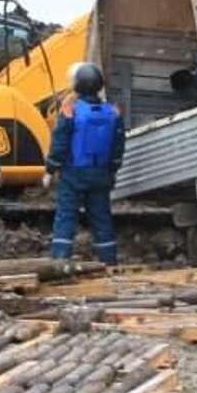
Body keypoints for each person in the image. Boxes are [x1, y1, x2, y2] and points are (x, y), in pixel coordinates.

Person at [46, 61, 124, 264]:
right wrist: (112, 170)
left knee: (66, 216)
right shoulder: (113, 113)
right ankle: (109, 261)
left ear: (77, 85)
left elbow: (60, 143)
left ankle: (60, 261)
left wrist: (50, 168)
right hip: (101, 174)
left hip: (74, 174)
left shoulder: (70, 111)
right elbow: (118, 146)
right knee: (101, 218)